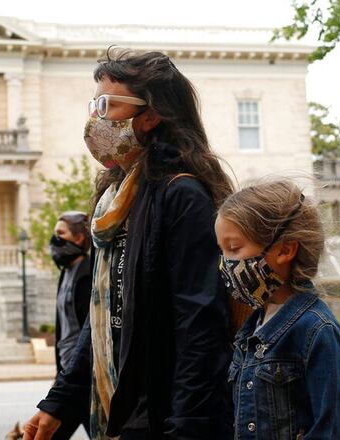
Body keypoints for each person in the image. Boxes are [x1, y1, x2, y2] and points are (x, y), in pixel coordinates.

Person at [24, 48, 235, 440]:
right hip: (122, 410)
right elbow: (103, 318)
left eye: (107, 105)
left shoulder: (181, 195)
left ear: (151, 115)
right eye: (94, 104)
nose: (95, 118)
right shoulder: (115, 201)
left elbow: (200, 326)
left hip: (163, 416)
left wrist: (186, 428)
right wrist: (58, 404)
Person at [216, 179, 340, 439]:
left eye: (234, 248)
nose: (225, 263)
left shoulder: (318, 331)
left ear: (285, 249)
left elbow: (333, 429)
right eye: (222, 250)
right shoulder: (252, 328)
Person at [49, 211, 93, 439]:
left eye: (60, 233)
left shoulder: (88, 272)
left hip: (83, 378)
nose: (54, 239)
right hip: (68, 376)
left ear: (78, 238)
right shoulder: (65, 273)